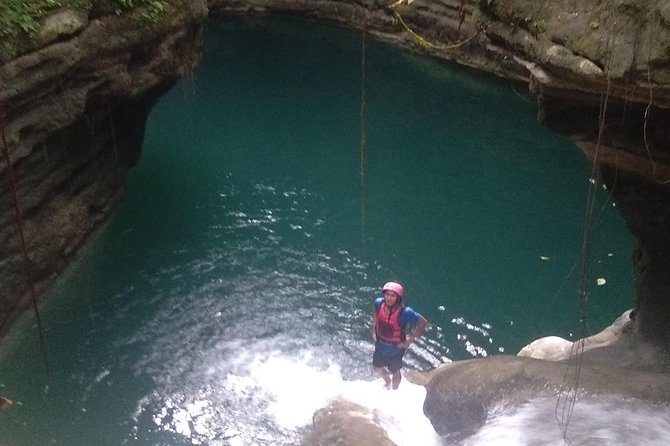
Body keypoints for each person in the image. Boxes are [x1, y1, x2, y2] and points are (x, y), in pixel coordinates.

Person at [371, 281, 428, 389]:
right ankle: (387, 382)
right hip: (380, 344)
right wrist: (373, 329)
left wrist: (410, 339)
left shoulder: (405, 312)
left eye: (392, 296)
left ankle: (394, 389)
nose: (389, 298)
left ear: (398, 297)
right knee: (378, 367)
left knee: (395, 371)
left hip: (396, 348)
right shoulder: (378, 303)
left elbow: (423, 322)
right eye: (387, 294)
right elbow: (375, 314)